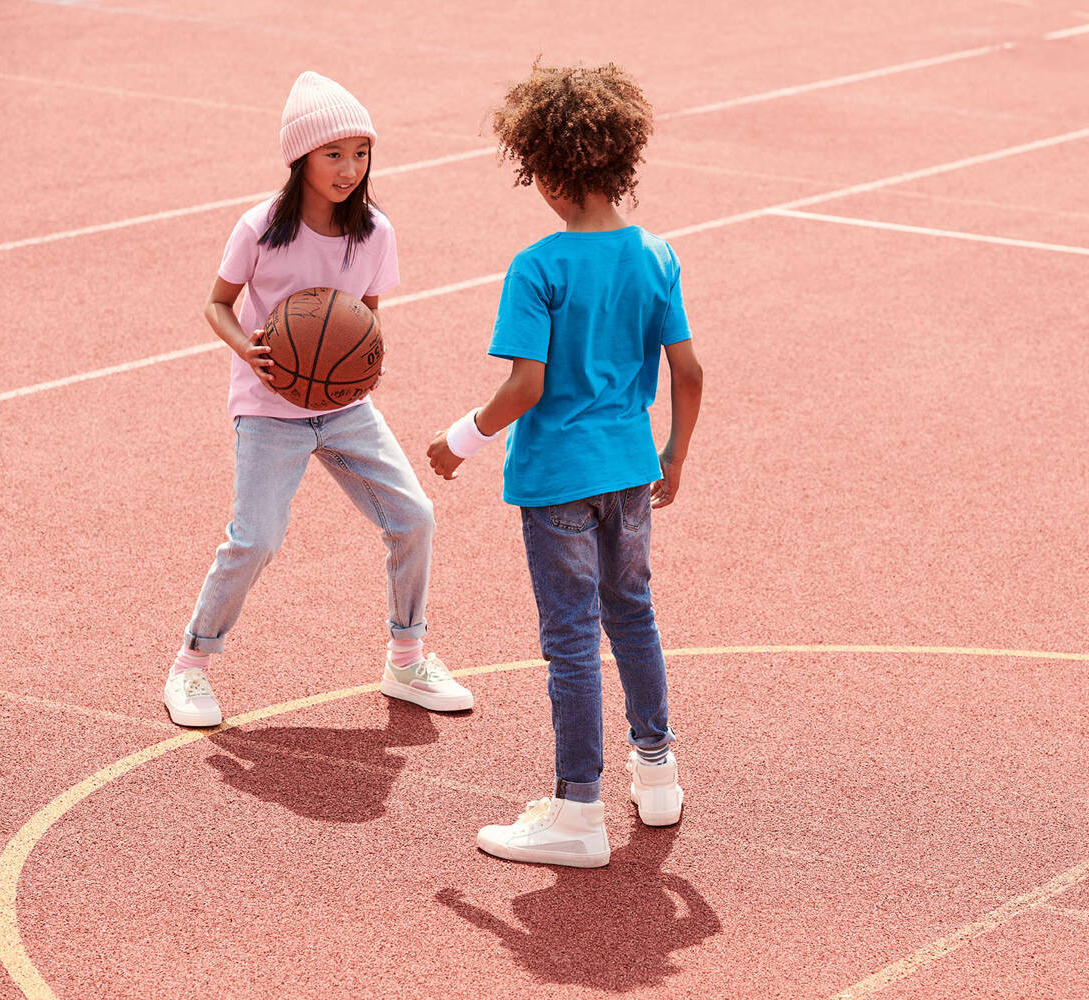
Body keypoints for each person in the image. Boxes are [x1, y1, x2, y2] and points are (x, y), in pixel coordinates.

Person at [427, 63, 704, 867]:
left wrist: (461, 439)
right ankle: (656, 773)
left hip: (557, 482)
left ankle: (577, 810)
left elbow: (526, 384)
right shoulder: (656, 255)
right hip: (629, 473)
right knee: (634, 617)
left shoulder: (538, 267)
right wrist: (675, 454)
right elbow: (688, 372)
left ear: (542, 171)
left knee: (573, 644)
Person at [164, 70, 473, 729]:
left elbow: (368, 312)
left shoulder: (374, 232)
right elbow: (217, 305)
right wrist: (247, 348)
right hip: (270, 407)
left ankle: (407, 656)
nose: (349, 168)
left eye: (360, 153)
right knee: (255, 539)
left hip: (342, 406)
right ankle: (191, 666)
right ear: (299, 158)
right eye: (333, 154)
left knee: (414, 516)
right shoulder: (259, 229)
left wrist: (364, 359)